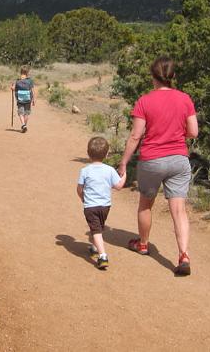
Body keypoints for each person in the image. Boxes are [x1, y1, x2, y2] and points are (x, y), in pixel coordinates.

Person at [118, 56, 198, 276]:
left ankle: (143, 244)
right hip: (179, 159)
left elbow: (136, 135)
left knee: (145, 204)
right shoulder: (185, 99)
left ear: (153, 76)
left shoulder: (145, 101)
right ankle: (183, 254)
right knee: (179, 211)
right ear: (173, 77)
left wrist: (124, 162)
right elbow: (193, 132)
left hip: (152, 160)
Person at [77, 136, 126, 269]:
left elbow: (79, 189)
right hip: (105, 206)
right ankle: (94, 247)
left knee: (96, 229)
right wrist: (124, 174)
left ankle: (103, 256)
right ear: (107, 154)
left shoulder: (85, 170)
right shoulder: (109, 170)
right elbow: (119, 186)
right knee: (98, 227)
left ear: (88, 153)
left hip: (90, 205)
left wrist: (82, 197)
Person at [11, 66, 36, 133]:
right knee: (26, 113)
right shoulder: (30, 81)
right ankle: (24, 125)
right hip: (28, 99)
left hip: (20, 99)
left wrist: (12, 87)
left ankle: (23, 125)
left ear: (21, 72)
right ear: (27, 72)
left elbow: (13, 88)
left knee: (20, 113)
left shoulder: (17, 80)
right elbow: (32, 90)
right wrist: (34, 99)